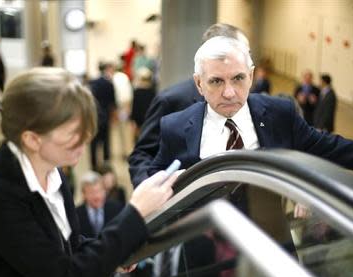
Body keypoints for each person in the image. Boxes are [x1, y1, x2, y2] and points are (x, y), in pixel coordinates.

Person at [0, 67, 177, 277]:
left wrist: (113, 255)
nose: (85, 140)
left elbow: (67, 245)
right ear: (32, 139)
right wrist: (135, 212)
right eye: (73, 134)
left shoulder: (52, 172)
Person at [149, 36, 353, 178]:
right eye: (216, 81)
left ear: (251, 76)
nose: (229, 93)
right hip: (204, 260)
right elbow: (153, 183)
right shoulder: (176, 127)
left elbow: (329, 147)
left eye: (238, 78)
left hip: (270, 244)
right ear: (199, 84)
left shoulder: (279, 113)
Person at [129, 23, 249, 187]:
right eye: (243, 53)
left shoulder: (248, 98)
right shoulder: (171, 101)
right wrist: (155, 194)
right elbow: (142, 156)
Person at [76, 171, 124, 238]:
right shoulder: (76, 214)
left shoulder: (117, 208)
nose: (97, 196)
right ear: (84, 194)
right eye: (91, 192)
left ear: (105, 191)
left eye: (99, 191)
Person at [89, 62, 117, 168]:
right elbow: (113, 103)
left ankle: (94, 165)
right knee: (106, 141)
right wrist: (114, 117)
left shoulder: (92, 83)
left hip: (94, 116)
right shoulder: (109, 83)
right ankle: (106, 164)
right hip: (106, 116)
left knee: (94, 142)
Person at [130, 67, 156, 141]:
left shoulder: (137, 92)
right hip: (149, 119)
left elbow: (135, 108)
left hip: (139, 120)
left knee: (139, 139)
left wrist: (133, 120)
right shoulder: (152, 92)